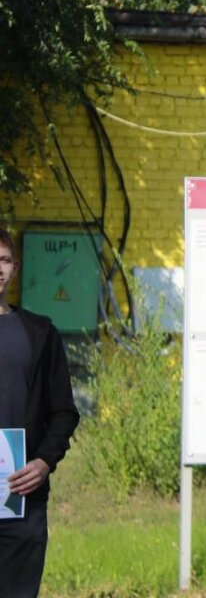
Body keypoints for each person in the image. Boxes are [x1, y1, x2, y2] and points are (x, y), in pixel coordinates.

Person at [0, 228, 80, 598]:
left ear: (15, 267)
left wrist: (44, 462)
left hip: (21, 498)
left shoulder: (40, 333)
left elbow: (64, 412)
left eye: (3, 260)